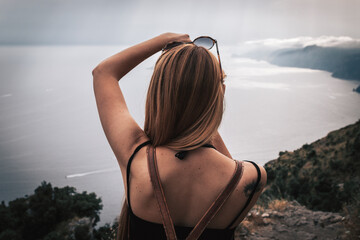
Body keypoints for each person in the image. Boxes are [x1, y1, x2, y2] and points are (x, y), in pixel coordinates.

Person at [92, 33, 267, 240]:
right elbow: (226, 164)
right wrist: (206, 106)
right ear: (219, 95)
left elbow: (103, 73)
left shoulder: (137, 159)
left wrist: (166, 39)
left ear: (160, 93)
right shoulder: (250, 178)